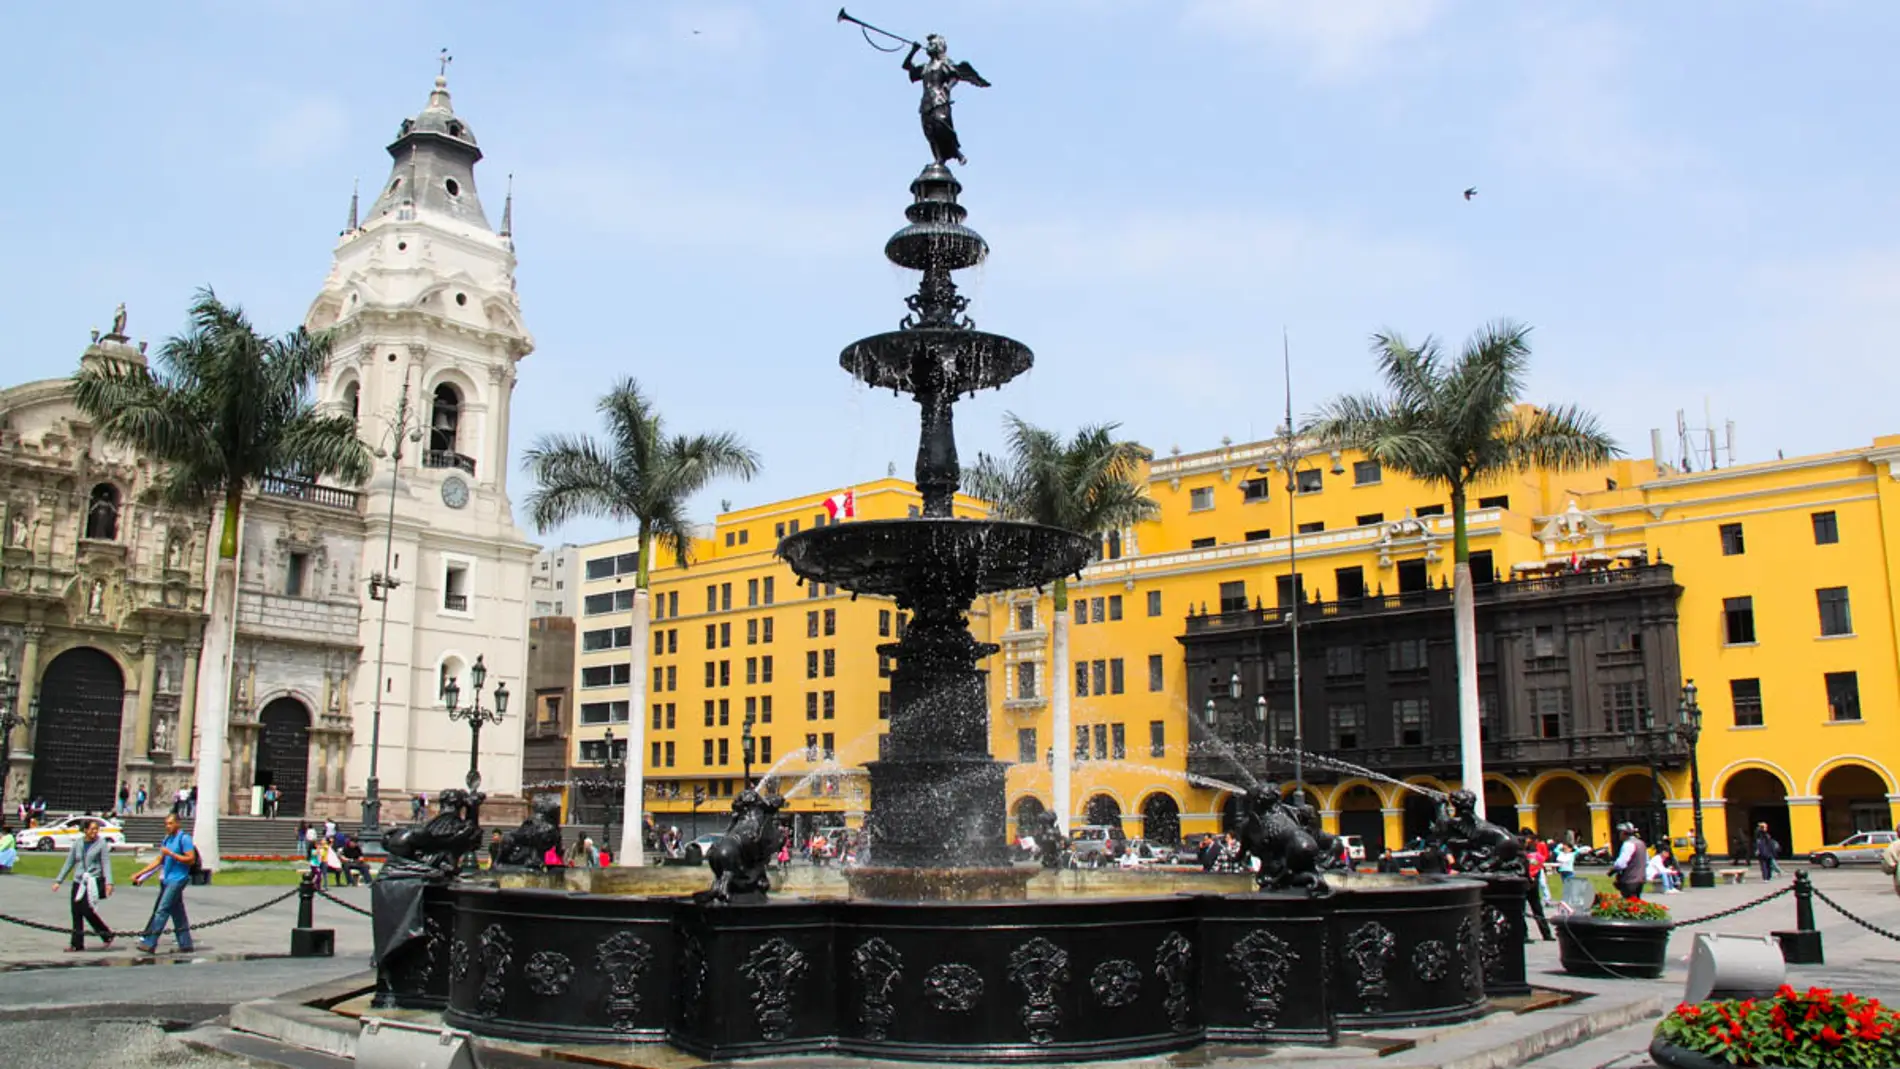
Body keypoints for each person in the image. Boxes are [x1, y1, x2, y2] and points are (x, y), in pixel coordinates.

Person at [131, 812, 195, 954]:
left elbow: (191, 859)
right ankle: (185, 943)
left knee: (162, 909)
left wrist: (172, 854)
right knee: (177, 912)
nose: (168, 826)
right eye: (166, 824)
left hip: (178, 879)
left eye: (170, 823)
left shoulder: (184, 839)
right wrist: (140, 874)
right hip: (167, 879)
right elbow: (159, 861)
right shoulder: (167, 839)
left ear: (178, 823)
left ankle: (150, 942)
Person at [52, 818, 115, 952]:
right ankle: (77, 944)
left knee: (86, 910)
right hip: (79, 880)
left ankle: (106, 933)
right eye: (92, 829)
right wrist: (59, 881)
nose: (95, 832)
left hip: (93, 880)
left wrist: (109, 882)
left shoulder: (101, 843)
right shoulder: (78, 843)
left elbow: (106, 863)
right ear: (85, 830)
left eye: (96, 829)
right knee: (76, 911)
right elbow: (69, 862)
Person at [1520, 829, 1554, 940]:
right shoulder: (1523, 853)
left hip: (1528, 883)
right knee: (1528, 910)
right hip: (1528, 883)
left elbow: (1537, 866)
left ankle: (1543, 933)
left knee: (1533, 909)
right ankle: (1529, 934)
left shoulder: (1528, 853)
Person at [1610, 823, 1648, 900]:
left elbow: (1621, 864)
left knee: (1628, 903)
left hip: (1629, 880)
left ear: (1623, 833)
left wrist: (1612, 870)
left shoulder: (1628, 844)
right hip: (1640, 879)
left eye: (1619, 833)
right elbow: (1646, 861)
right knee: (1636, 902)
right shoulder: (1641, 843)